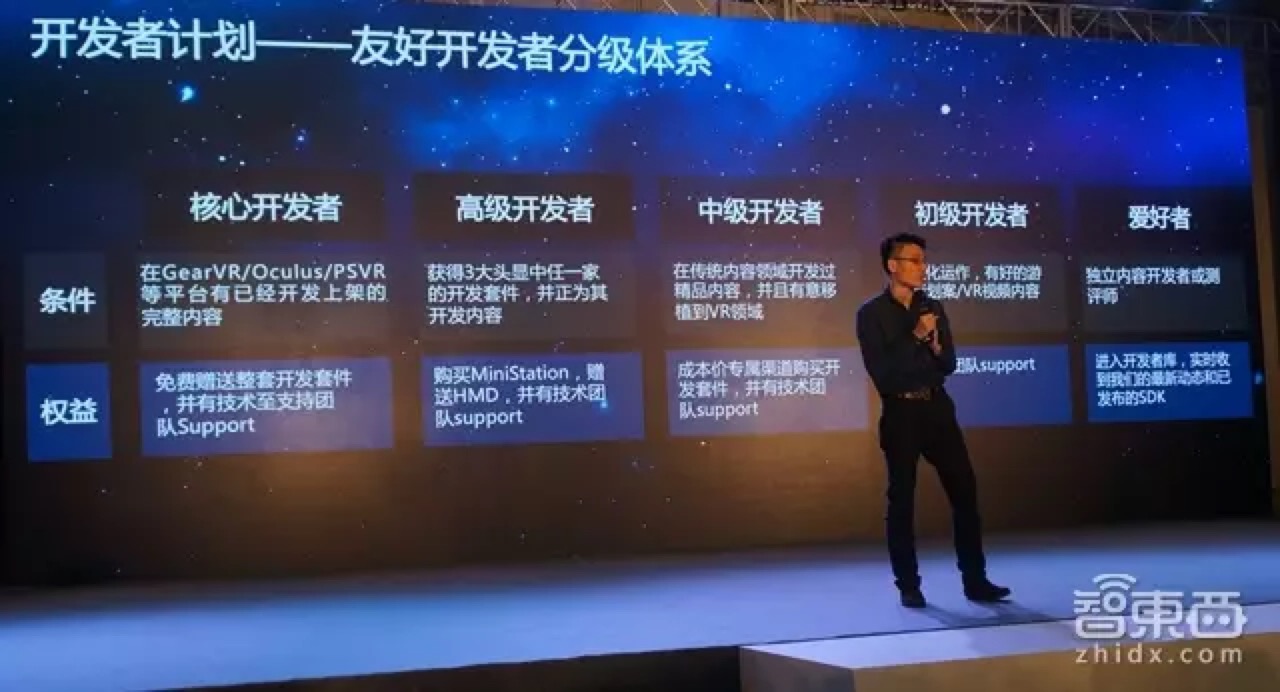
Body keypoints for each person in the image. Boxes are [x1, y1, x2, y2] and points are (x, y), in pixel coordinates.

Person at [855, 232, 1011, 608]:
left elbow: (948, 364)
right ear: (893, 266)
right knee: (902, 500)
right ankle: (908, 585)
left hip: (937, 408)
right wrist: (916, 337)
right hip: (901, 412)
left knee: (965, 491)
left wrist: (935, 347)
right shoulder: (871, 314)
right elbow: (884, 374)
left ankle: (975, 580)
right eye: (914, 261)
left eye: (923, 261)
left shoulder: (932, 306)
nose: (922, 268)